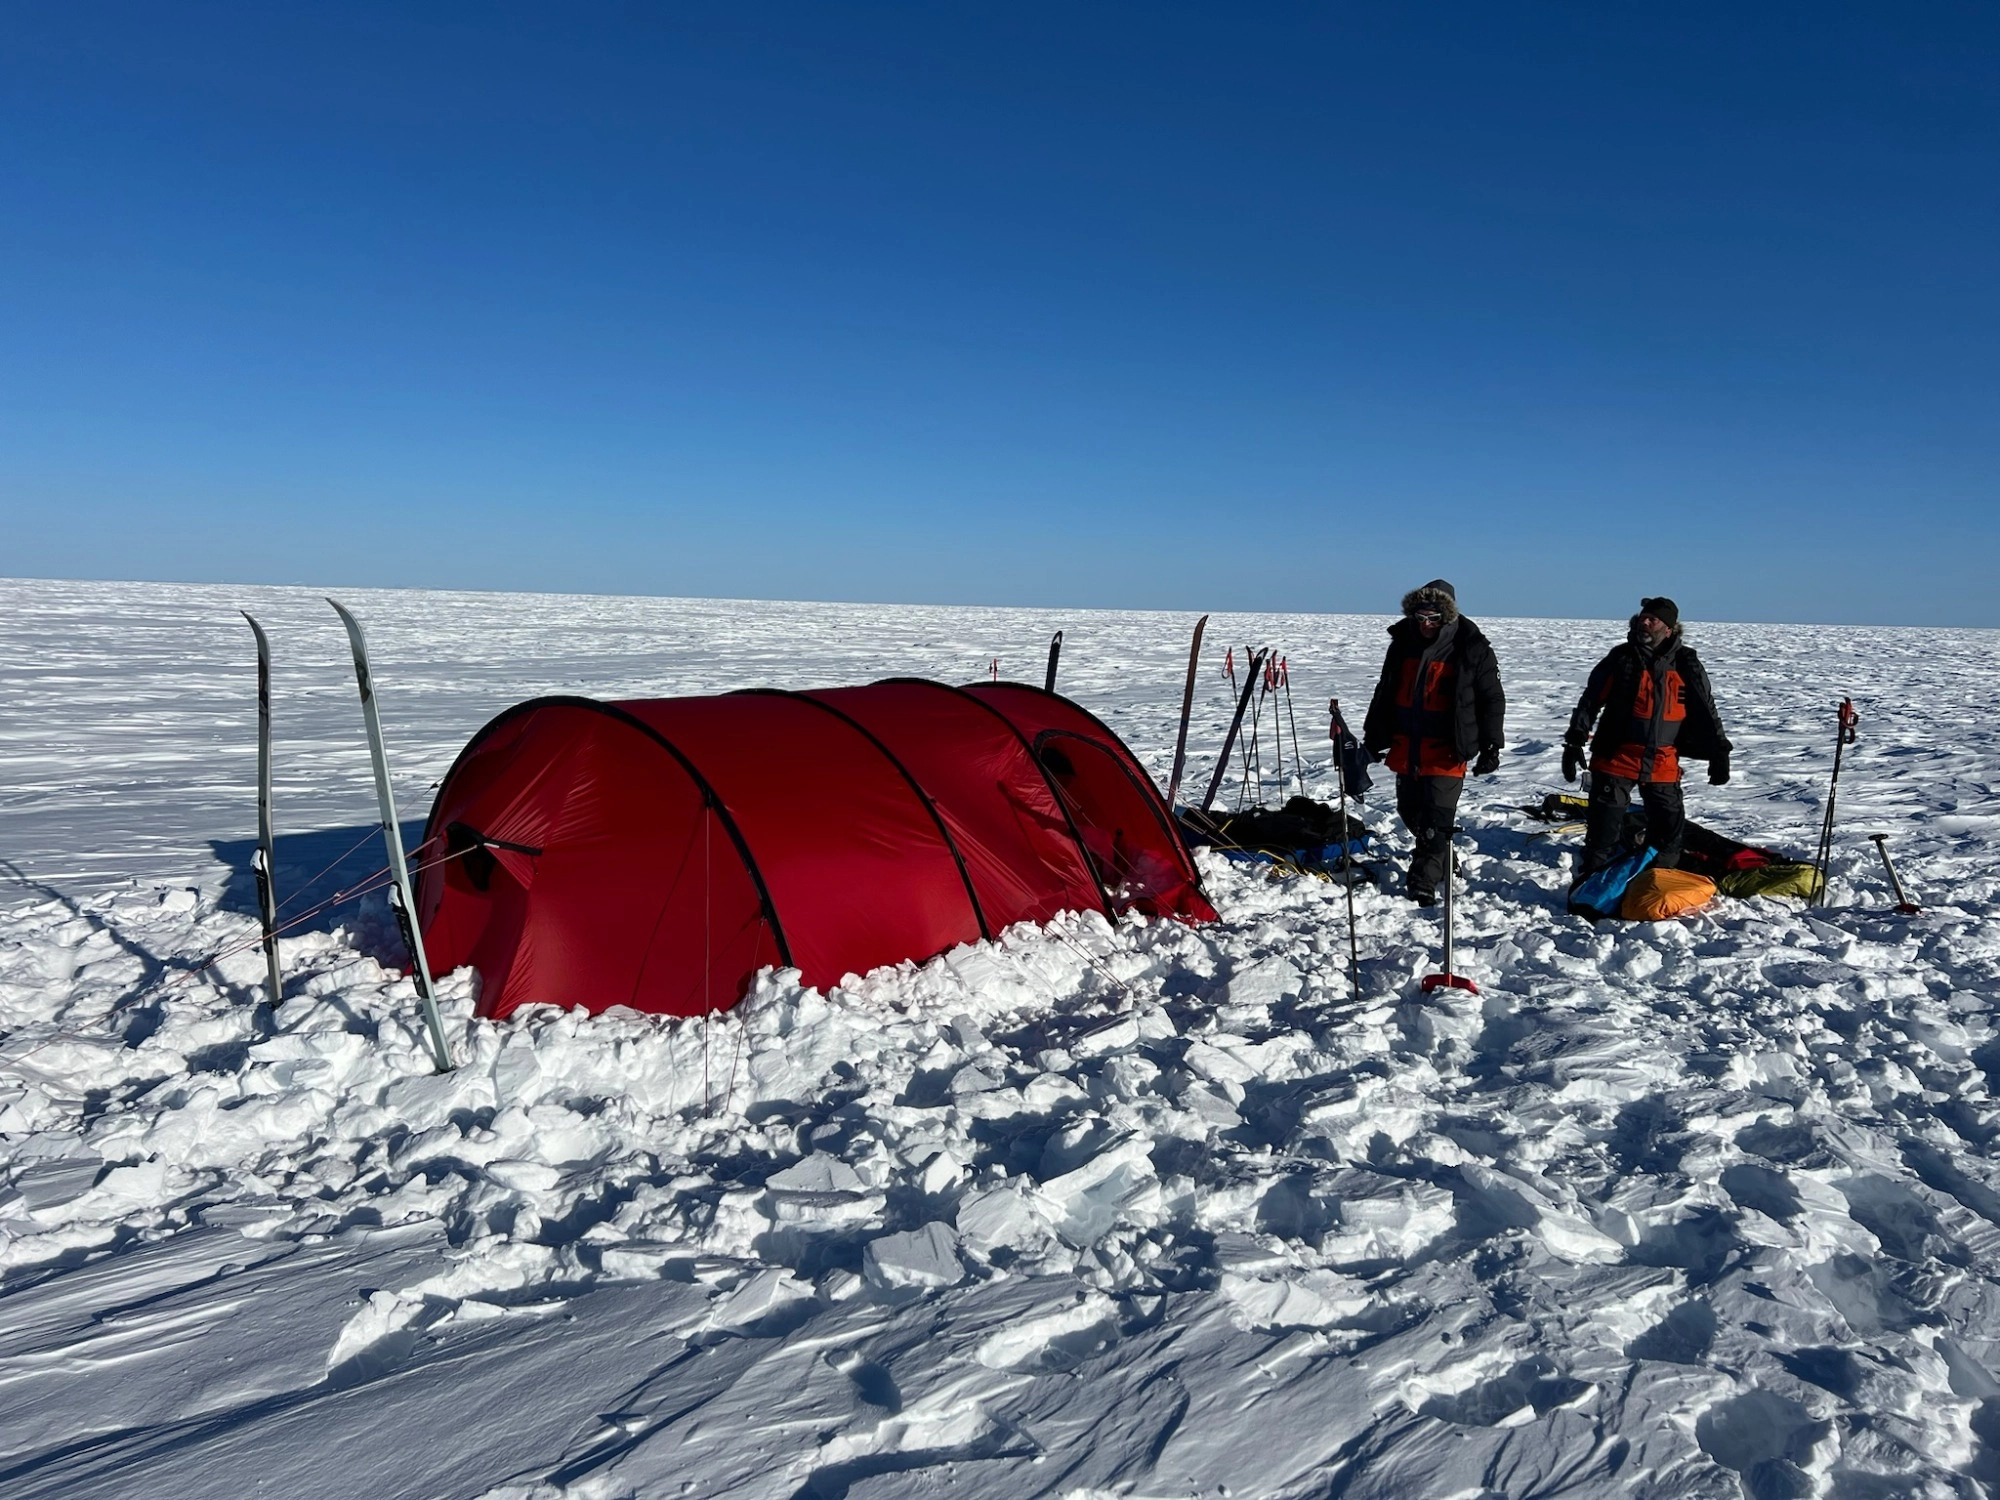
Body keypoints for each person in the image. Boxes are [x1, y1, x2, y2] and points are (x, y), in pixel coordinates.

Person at [1562, 596, 1731, 879]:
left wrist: (1719, 752)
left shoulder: (1686, 662)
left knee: (1668, 831)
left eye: (1653, 619)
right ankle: (1590, 887)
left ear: (1669, 628)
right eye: (1643, 617)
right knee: (1604, 831)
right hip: (1616, 756)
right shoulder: (1621, 657)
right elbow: (1590, 701)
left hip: (1663, 760)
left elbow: (1706, 708)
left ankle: (1657, 882)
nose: (1645, 622)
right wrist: (1575, 740)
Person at [1361, 579, 1505, 905]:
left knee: (1436, 820)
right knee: (1410, 811)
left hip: (1449, 748)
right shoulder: (1402, 644)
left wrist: (1492, 745)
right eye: (1421, 617)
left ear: (1448, 616)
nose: (1426, 624)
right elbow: (1385, 692)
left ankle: (1422, 881)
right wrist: (1374, 737)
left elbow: (1492, 699)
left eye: (1433, 618)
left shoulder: (1472, 647)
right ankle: (1443, 858)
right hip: (1408, 745)